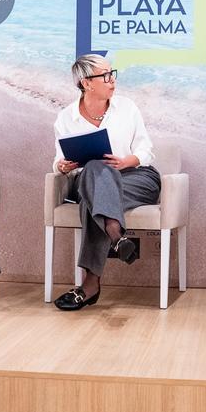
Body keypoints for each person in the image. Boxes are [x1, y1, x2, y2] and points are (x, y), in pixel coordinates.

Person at [52, 54, 160, 310]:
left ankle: (91, 283)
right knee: (93, 169)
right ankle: (115, 233)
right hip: (91, 181)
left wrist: (126, 161)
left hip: (136, 177)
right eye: (105, 76)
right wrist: (62, 166)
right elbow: (58, 159)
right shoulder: (66, 117)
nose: (112, 80)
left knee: (93, 196)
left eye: (112, 74)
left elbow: (146, 149)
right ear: (86, 83)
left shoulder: (127, 107)